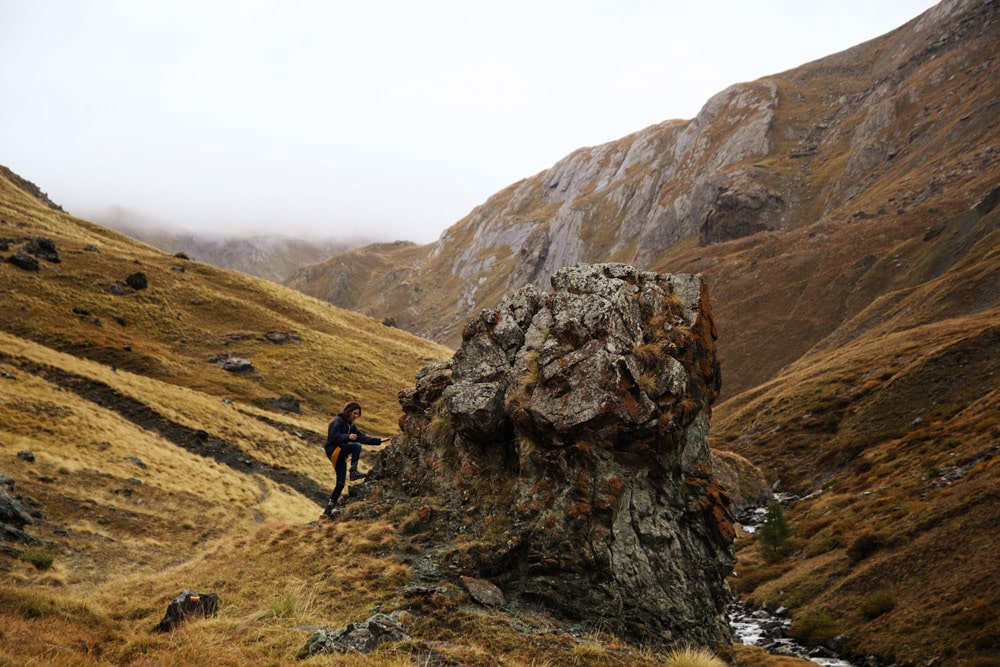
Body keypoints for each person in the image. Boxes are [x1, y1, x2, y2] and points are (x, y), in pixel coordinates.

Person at [322, 401, 390, 518]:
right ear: (348, 412)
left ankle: (328, 509)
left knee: (340, 483)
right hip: (333, 449)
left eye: (358, 414)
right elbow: (333, 437)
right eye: (354, 413)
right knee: (356, 446)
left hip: (340, 455)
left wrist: (379, 440)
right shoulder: (337, 421)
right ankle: (353, 472)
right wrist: (347, 437)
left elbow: (362, 437)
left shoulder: (351, 426)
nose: (356, 416)